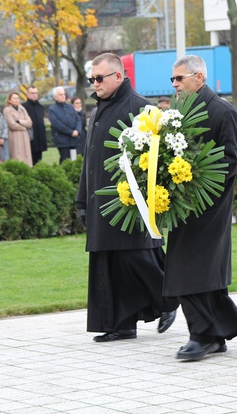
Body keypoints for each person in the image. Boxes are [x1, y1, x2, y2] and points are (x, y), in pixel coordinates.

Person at [75, 52, 177, 343]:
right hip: (100, 201)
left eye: (99, 78)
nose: (95, 84)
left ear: (118, 76)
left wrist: (148, 197)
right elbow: (89, 160)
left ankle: (170, 299)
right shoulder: (99, 109)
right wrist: (82, 200)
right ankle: (121, 323)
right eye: (92, 79)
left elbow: (158, 158)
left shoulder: (141, 108)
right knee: (109, 263)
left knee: (137, 256)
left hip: (129, 203)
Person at [165, 55, 237, 361]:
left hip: (210, 204)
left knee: (196, 268)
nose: (175, 84)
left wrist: (196, 176)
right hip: (184, 203)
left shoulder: (222, 111)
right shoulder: (177, 111)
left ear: (199, 78)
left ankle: (202, 335)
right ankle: (213, 334)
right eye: (172, 79)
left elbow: (233, 159)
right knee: (186, 266)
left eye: (180, 78)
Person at [48, 86, 81, 163]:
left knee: (75, 160)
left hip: (74, 140)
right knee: (65, 160)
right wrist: (70, 132)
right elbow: (56, 124)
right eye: (60, 94)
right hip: (63, 141)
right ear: (55, 97)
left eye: (64, 94)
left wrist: (77, 130)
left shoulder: (70, 107)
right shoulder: (52, 109)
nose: (63, 96)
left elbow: (78, 119)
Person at [3, 92, 33, 167]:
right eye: (14, 98)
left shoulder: (22, 109)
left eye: (17, 98)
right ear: (9, 100)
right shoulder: (7, 110)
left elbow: (29, 122)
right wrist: (24, 127)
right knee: (17, 155)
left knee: (27, 157)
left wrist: (20, 121)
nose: (16, 100)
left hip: (25, 136)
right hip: (15, 136)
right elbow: (12, 125)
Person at [22, 86, 48, 165]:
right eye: (32, 93)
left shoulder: (40, 107)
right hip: (30, 137)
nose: (34, 95)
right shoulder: (23, 107)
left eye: (36, 93)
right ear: (28, 95)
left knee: (39, 159)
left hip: (40, 137)